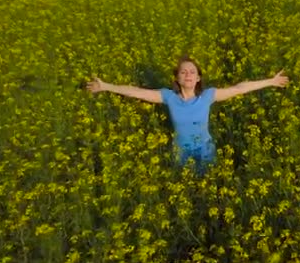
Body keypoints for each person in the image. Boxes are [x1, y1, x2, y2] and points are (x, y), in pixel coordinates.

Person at [86, 55, 289, 175]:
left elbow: (240, 88)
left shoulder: (208, 96)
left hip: (205, 151)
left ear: (199, 77)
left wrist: (270, 81)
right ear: (177, 78)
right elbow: (136, 91)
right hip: (180, 152)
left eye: (192, 72)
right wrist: (105, 86)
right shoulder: (168, 97)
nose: (188, 75)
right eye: (183, 72)